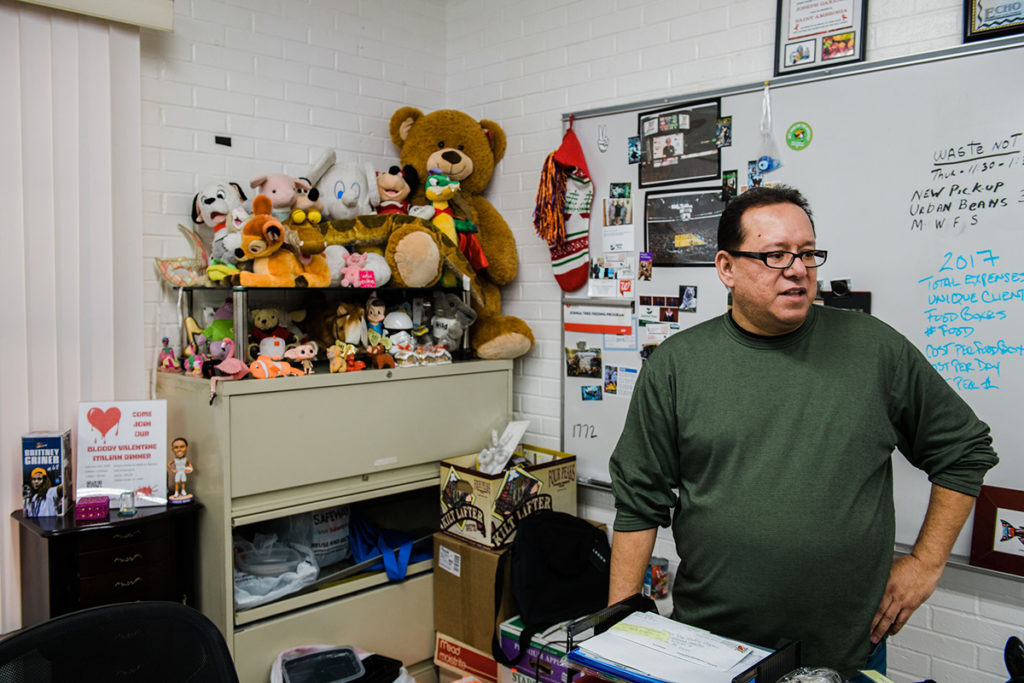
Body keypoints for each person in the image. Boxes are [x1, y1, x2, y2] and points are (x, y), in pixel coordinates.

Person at [607, 185, 998, 679]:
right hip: (709, 641)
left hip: (845, 646)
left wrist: (925, 564)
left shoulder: (874, 350)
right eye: (774, 255)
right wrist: (619, 627)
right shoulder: (676, 365)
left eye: (808, 254)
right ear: (726, 268)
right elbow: (640, 500)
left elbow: (964, 451)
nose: (797, 269)